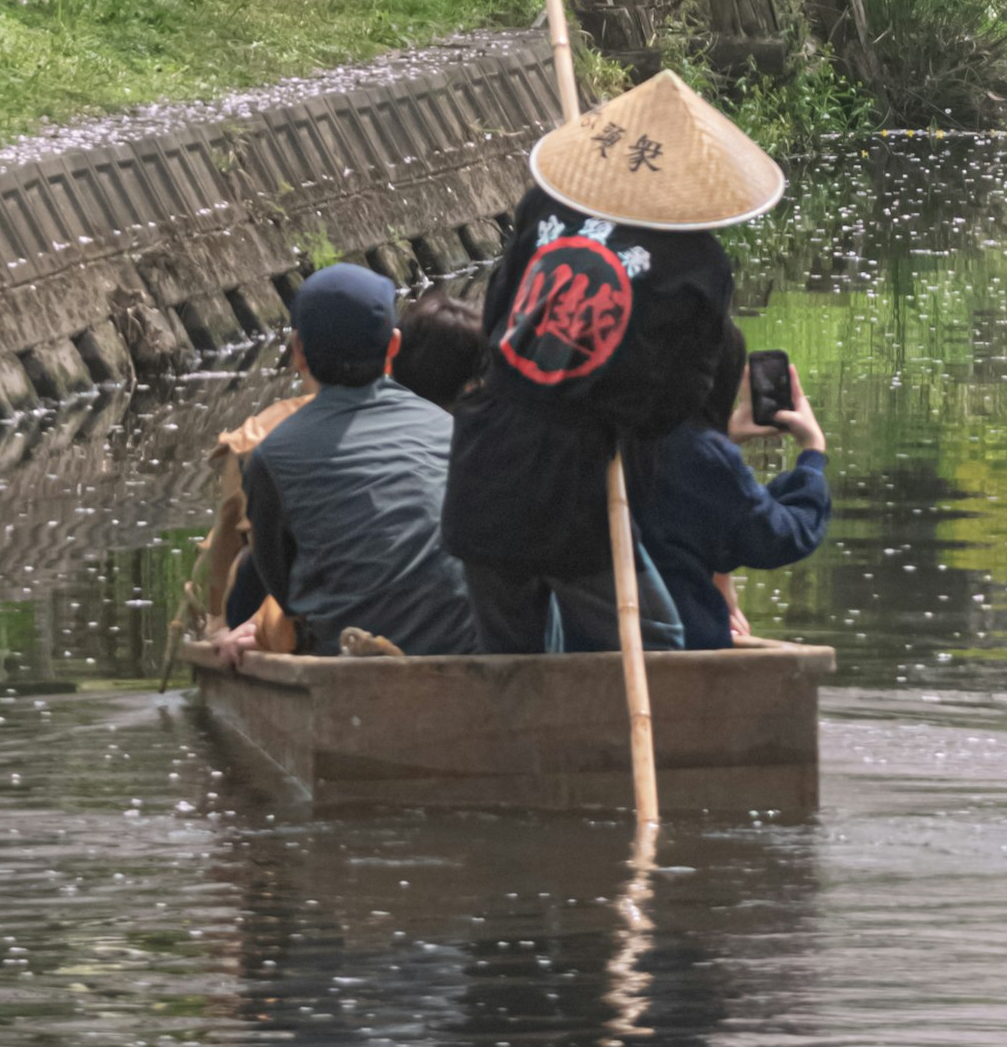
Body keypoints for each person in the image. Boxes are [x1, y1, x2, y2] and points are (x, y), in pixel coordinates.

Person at [443, 67, 786, 655]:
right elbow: (674, 402)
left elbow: (496, 320)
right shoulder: (697, 266)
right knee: (655, 644)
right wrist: (607, 409)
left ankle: (533, 748)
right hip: (570, 482)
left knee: (509, 662)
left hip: (481, 460)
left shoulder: (545, 205)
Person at [189, 259, 485, 663]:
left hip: (347, 661)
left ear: (298, 354)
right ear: (393, 348)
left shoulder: (271, 454)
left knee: (249, 562)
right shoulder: (449, 429)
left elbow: (286, 593)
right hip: (466, 648)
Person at [630, 332, 831, 649]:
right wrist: (812, 454)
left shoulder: (598, 436)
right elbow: (783, 535)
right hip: (674, 638)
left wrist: (720, 436)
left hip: (578, 634)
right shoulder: (699, 456)